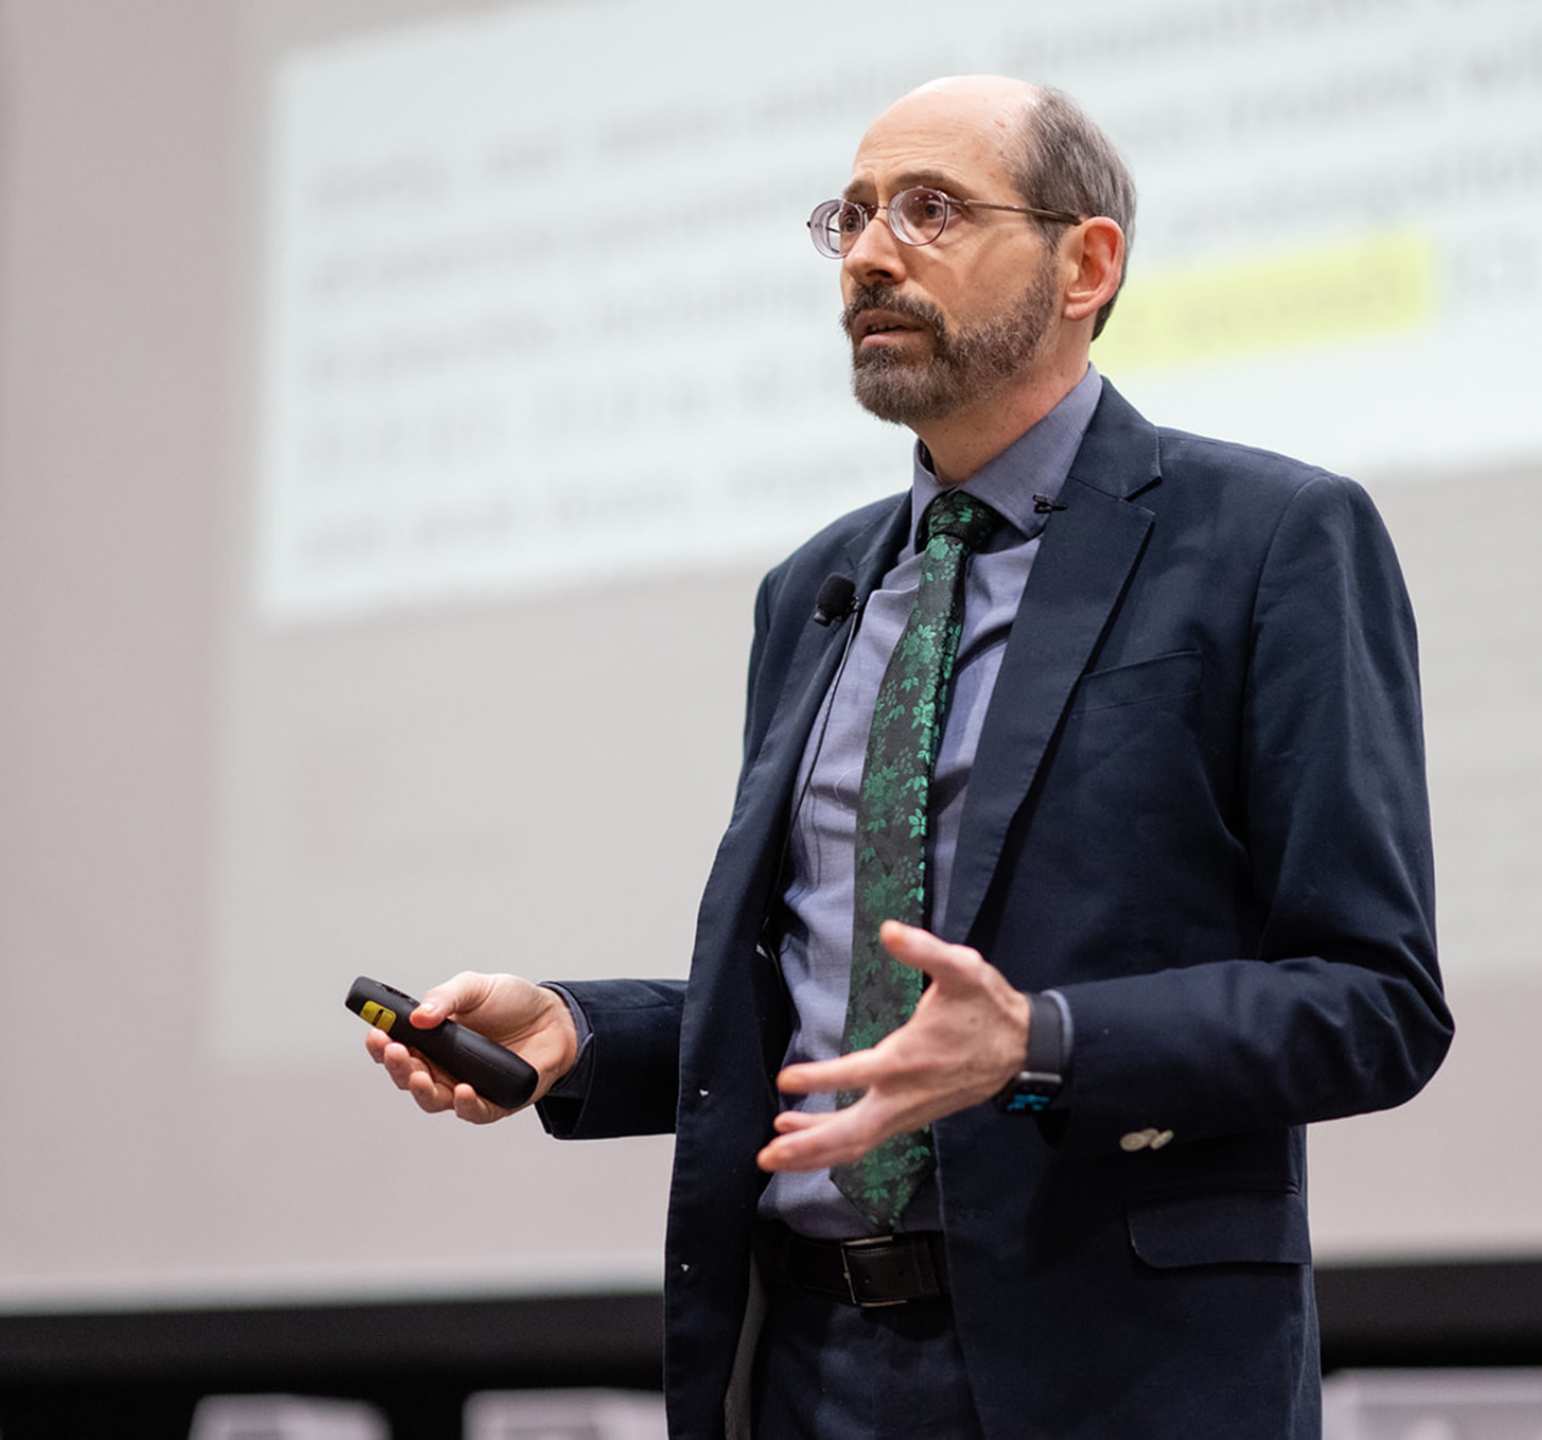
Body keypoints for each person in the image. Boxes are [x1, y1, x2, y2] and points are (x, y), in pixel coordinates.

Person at [363, 75, 1452, 1440]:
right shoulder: (815, 588)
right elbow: (834, 999)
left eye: (931, 210)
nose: (872, 254)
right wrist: (589, 1036)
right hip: (809, 1363)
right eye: (854, 217)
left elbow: (1376, 1002)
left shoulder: (1269, 540)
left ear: (1086, 263)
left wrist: (1042, 1044)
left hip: (1114, 1376)